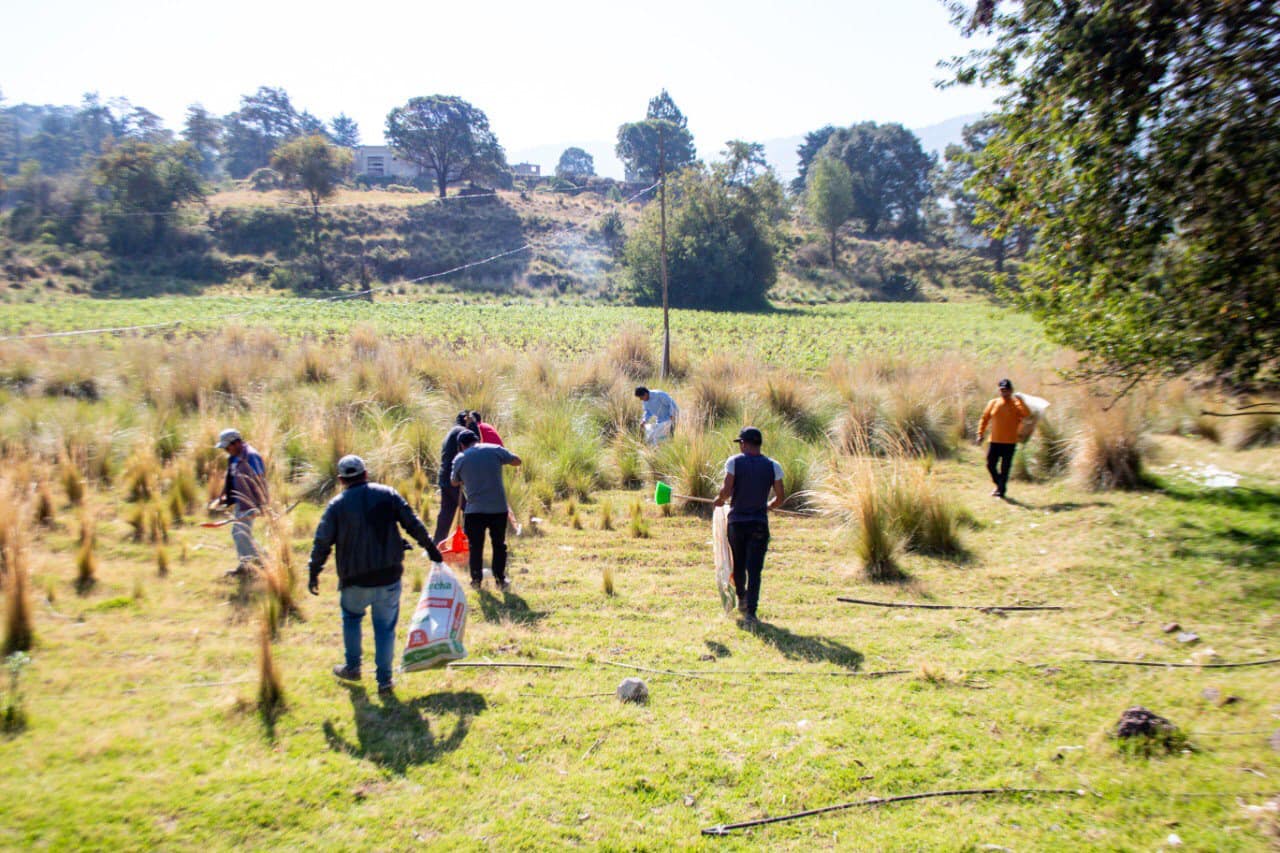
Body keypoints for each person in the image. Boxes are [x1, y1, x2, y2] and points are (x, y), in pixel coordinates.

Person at [307, 455, 443, 695]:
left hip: (353, 579)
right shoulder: (388, 495)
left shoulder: (337, 506)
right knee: (385, 629)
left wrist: (314, 571)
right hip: (388, 576)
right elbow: (413, 524)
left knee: (351, 619)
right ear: (365, 474)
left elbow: (322, 542)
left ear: (341, 480)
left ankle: (352, 667)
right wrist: (431, 549)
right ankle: (384, 680)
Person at [713, 426, 785, 626]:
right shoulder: (773, 466)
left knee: (739, 562)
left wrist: (719, 500)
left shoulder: (734, 462)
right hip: (759, 524)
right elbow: (780, 497)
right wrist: (768, 506)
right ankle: (751, 611)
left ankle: (742, 597)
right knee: (755, 568)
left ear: (744, 443)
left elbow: (726, 490)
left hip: (737, 523)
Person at [450, 431, 521, 591]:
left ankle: (476, 580)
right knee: (499, 544)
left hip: (474, 510)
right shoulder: (494, 449)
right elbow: (517, 461)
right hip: (498, 508)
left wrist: (465, 477)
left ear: (461, 445)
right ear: (478, 440)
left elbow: (454, 482)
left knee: (475, 546)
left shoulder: (460, 458)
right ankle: (500, 580)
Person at [213, 428, 268, 578]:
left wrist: (262, 504)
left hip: (251, 502)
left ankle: (250, 567)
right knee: (241, 533)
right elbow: (230, 477)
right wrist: (222, 495)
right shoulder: (234, 457)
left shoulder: (251, 456)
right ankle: (261, 563)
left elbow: (260, 480)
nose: (225, 449)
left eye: (227, 446)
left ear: (236, 443)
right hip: (240, 501)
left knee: (240, 532)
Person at [976, 378, 1031, 499]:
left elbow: (1026, 414)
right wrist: (980, 433)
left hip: (1010, 442)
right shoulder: (993, 403)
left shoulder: (1016, 404)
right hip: (994, 441)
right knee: (990, 465)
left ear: (1011, 390)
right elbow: (984, 418)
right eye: (1002, 390)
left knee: (1005, 468)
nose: (1004, 392)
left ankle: (1001, 491)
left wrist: (1021, 401)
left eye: (1006, 390)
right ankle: (999, 485)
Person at [433, 412, 478, 545]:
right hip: (456, 479)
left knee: (446, 514)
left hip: (445, 478)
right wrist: (473, 426)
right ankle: (466, 543)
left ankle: (437, 544)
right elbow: (475, 448)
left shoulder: (451, 432)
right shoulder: (461, 433)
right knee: (471, 511)